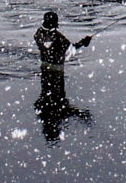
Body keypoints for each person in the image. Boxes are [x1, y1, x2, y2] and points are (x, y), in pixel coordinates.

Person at [33, 9, 93, 141]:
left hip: (44, 70)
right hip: (57, 72)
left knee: (47, 93)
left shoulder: (38, 34)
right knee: (58, 96)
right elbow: (71, 50)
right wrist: (84, 42)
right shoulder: (58, 38)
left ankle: (51, 100)